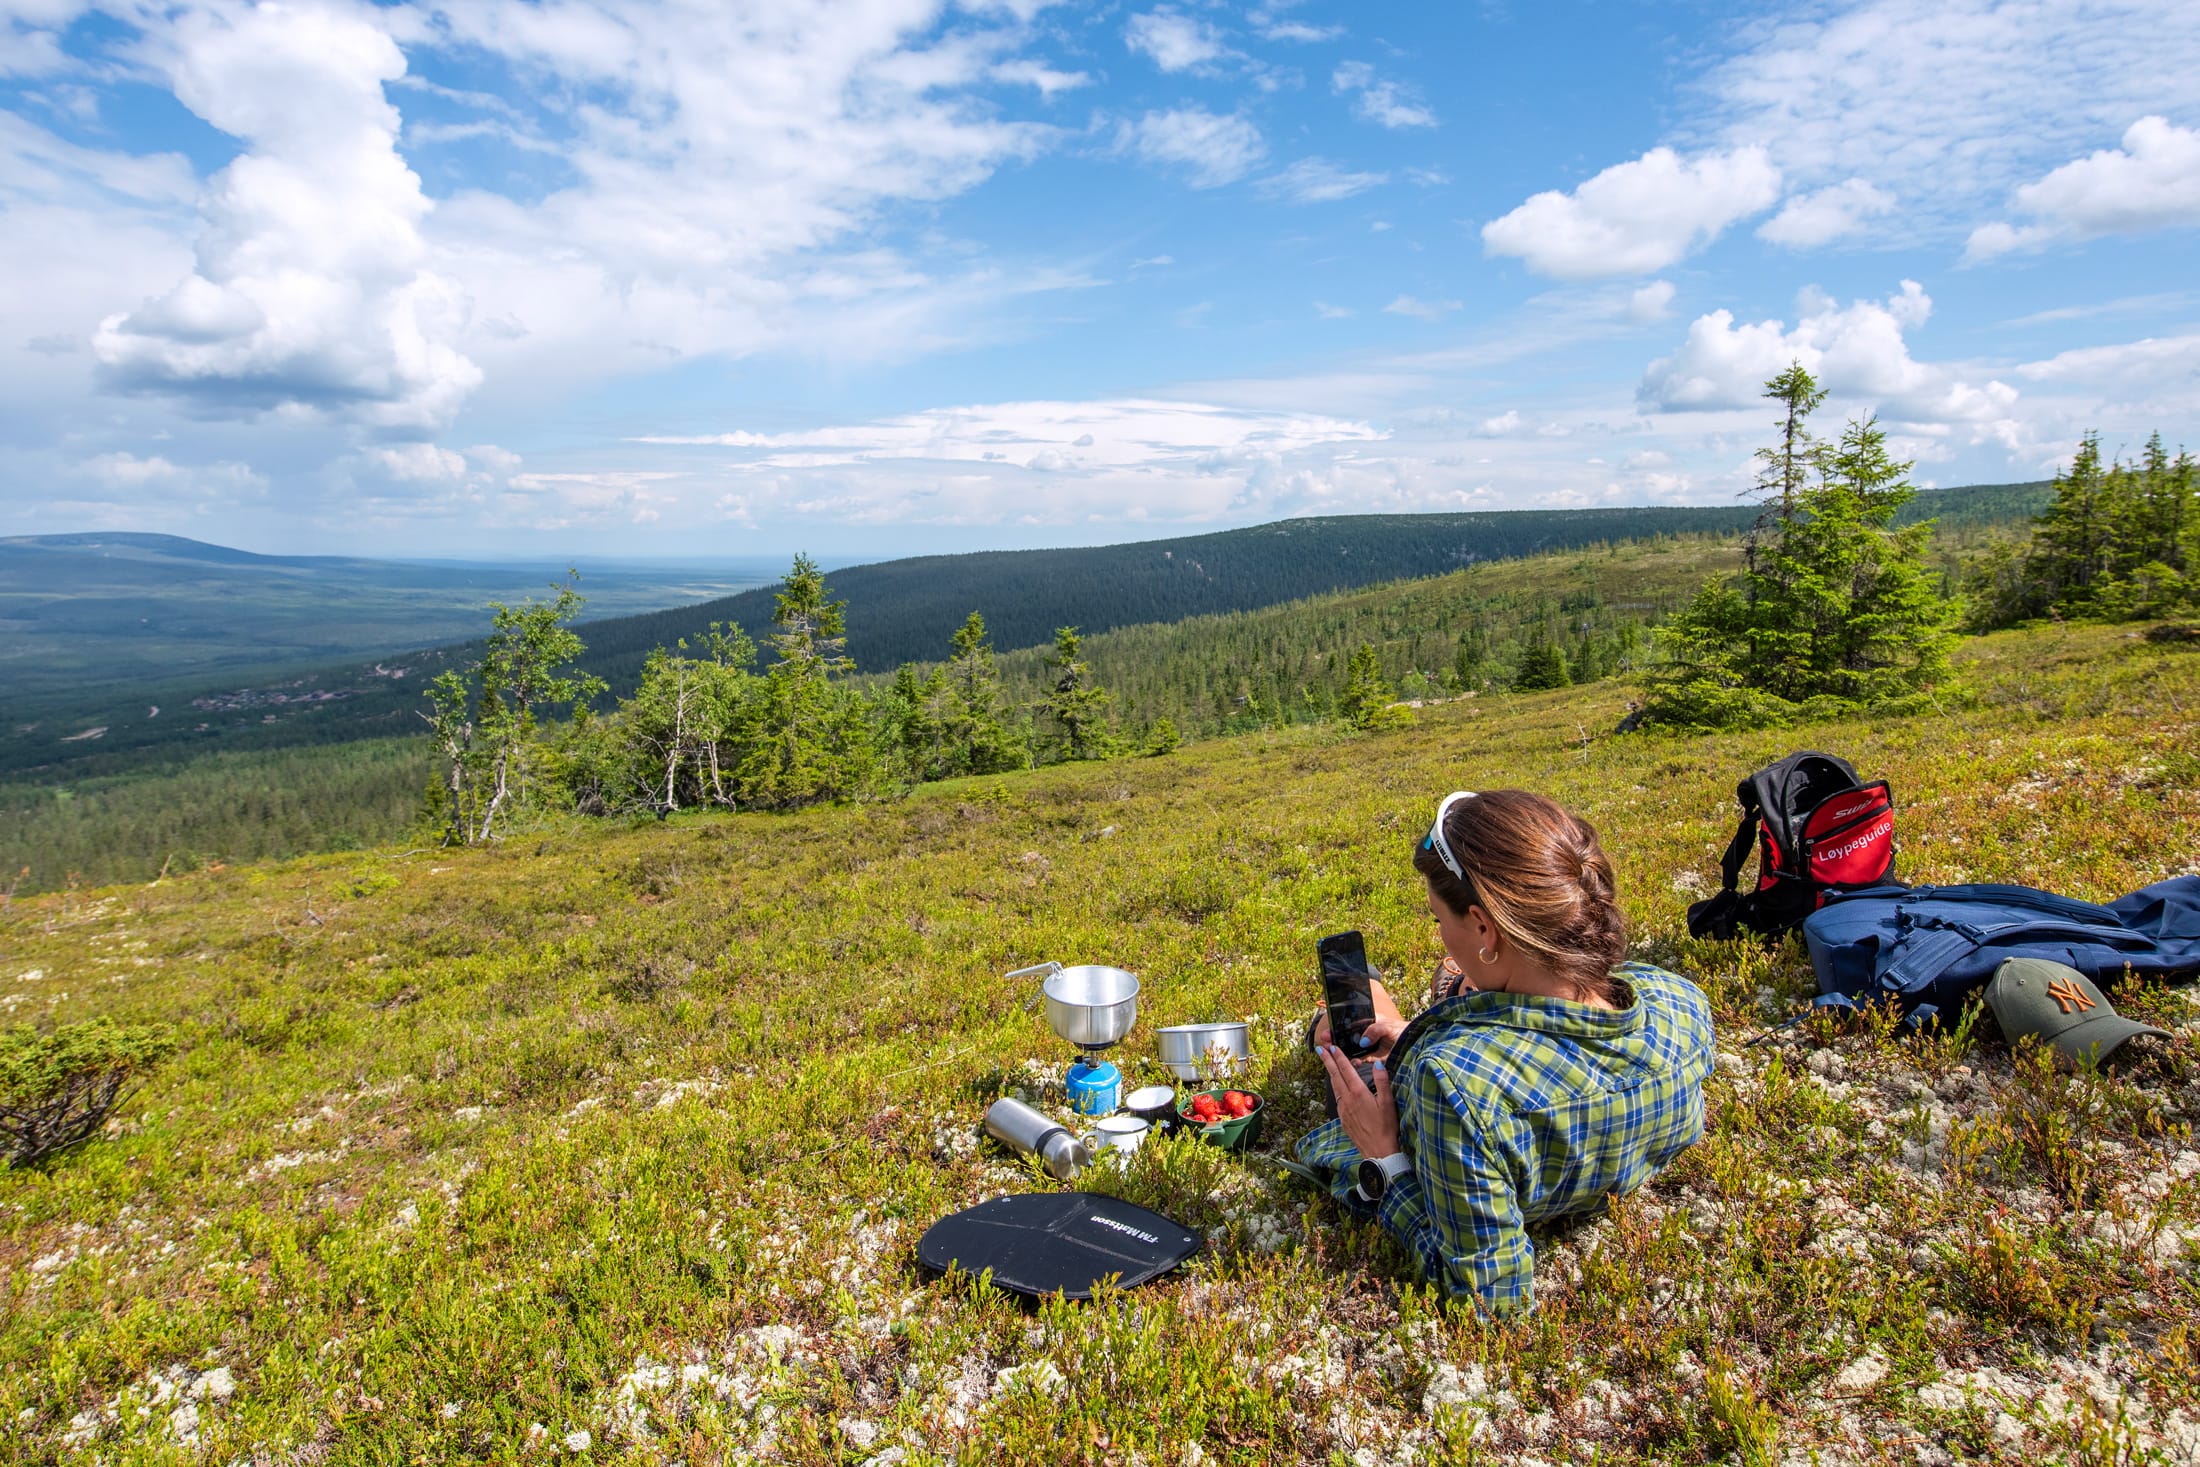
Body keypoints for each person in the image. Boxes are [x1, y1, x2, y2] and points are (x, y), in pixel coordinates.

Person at [1294, 788, 1714, 1317]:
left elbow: (1491, 1302)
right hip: (1528, 1032)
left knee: (1348, 1045)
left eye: (1438, 920)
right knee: (1429, 1004)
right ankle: (1415, 1009)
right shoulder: (1678, 1001)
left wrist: (1385, 1158)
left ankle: (1346, 1008)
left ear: (1484, 927)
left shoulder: (1451, 1083)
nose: (1441, 933)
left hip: (1435, 1111)